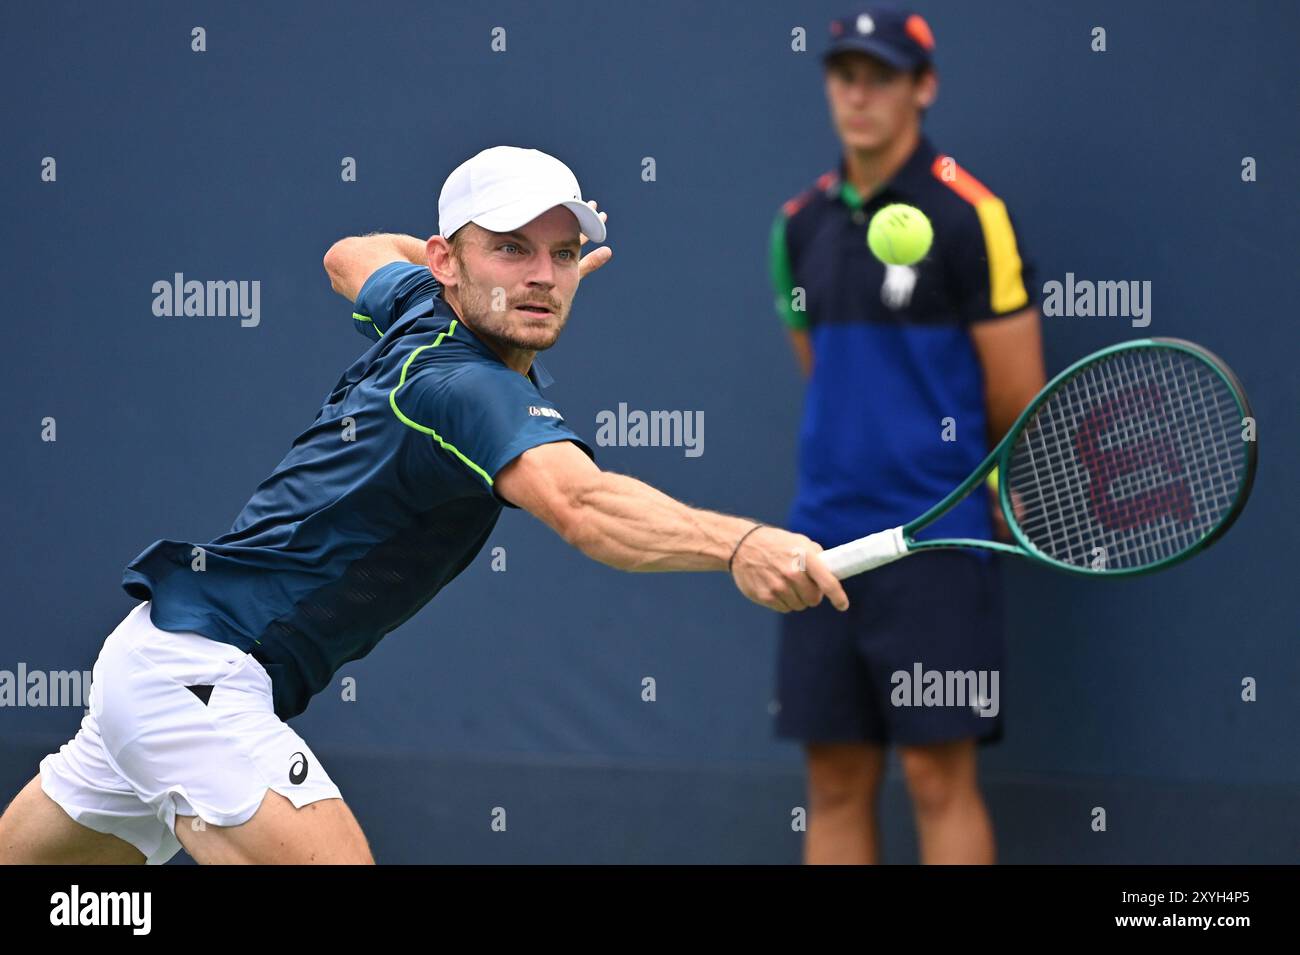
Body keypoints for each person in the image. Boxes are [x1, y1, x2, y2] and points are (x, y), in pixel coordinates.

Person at [0, 146, 848, 865]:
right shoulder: (463, 388)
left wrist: (480, 277)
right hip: (198, 678)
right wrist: (743, 545)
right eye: (511, 249)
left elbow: (346, 252)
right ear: (447, 258)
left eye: (560, 254)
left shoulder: (414, 308)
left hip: (154, 658)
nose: (545, 277)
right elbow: (583, 505)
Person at [768, 10, 1045, 864]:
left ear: (921, 88)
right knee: (836, 781)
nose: (858, 93)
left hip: (938, 538)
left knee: (935, 775)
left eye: (881, 75)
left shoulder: (972, 215)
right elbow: (824, 369)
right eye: (844, 73)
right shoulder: (799, 224)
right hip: (821, 541)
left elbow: (1016, 395)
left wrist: (973, 491)